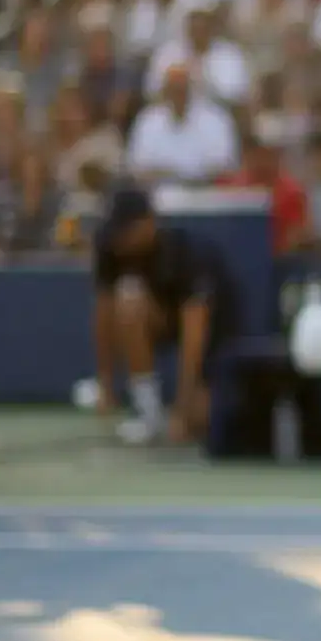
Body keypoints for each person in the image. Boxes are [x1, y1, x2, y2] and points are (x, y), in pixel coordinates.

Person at [89, 185, 241, 446]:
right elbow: (103, 313)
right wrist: (105, 383)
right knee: (128, 300)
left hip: (216, 336)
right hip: (163, 321)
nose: (121, 239)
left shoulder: (190, 253)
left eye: (127, 230)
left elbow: (195, 333)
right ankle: (148, 411)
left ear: (148, 223)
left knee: (202, 418)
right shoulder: (110, 246)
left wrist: (183, 407)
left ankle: (186, 406)